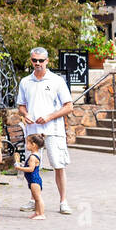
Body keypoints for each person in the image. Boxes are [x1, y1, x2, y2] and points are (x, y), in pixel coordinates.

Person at [16, 47, 74, 214]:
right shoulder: (25, 81)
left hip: (53, 129)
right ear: (31, 61)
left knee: (58, 165)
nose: (38, 63)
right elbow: (21, 105)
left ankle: (63, 201)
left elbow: (69, 106)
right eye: (35, 60)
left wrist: (50, 116)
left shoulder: (56, 81)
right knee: (33, 167)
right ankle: (34, 199)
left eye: (41, 60)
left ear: (47, 61)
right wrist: (25, 114)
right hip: (33, 131)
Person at [15, 133, 47, 220]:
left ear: (34, 145)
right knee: (36, 198)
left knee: (38, 198)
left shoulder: (33, 157)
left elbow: (31, 169)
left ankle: (42, 214)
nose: (26, 145)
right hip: (32, 180)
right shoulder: (34, 155)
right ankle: (37, 212)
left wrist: (19, 168)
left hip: (34, 180)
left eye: (28, 143)